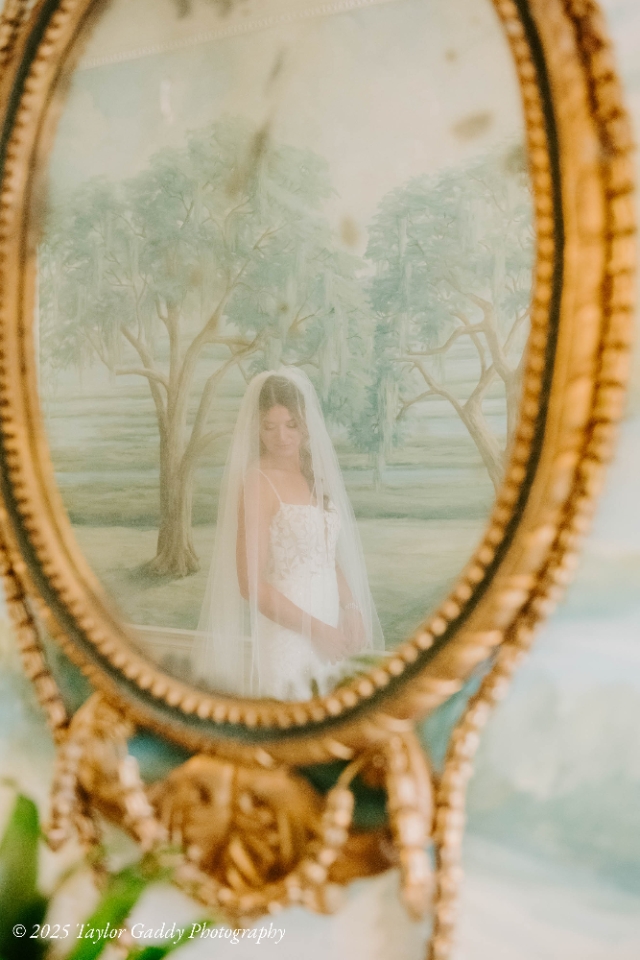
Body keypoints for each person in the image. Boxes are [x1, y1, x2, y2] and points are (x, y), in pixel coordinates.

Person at [192, 367, 384, 700]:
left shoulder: (315, 474)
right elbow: (251, 585)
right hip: (289, 635)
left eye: (291, 425)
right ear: (257, 429)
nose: (282, 437)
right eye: (270, 426)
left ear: (306, 424)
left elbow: (325, 555)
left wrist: (351, 607)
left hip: (332, 625)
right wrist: (316, 631)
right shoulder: (257, 483)